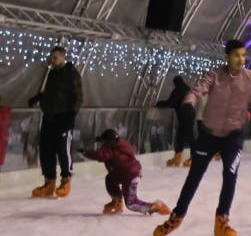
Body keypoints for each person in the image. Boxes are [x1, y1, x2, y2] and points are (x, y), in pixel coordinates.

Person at [153, 39, 251, 236]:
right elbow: (196, 92)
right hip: (208, 135)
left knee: (230, 176)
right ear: (227, 56)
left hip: (233, 137)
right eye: (237, 55)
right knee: (194, 177)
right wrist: (188, 105)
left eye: (243, 55)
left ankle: (222, 220)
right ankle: (176, 217)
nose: (241, 59)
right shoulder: (214, 76)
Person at [29, 46, 83, 199]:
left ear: (62, 57)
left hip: (63, 118)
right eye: (51, 58)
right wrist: (38, 97)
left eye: (54, 58)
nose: (51, 60)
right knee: (46, 149)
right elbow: (50, 93)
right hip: (49, 117)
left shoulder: (71, 73)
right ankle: (49, 183)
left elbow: (78, 96)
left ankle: (66, 180)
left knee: (63, 150)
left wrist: (71, 116)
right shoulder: (52, 73)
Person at [81, 129, 169, 216]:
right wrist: (101, 139)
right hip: (125, 174)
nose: (103, 144)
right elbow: (109, 144)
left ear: (109, 142)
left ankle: (155, 207)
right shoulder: (120, 144)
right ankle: (117, 201)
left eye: (104, 141)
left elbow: (101, 155)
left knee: (131, 203)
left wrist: (86, 152)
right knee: (110, 179)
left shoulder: (112, 150)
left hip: (130, 177)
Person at [158, 76, 193, 167]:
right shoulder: (188, 89)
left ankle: (194, 158)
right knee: (181, 136)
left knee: (189, 137)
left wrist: (159, 104)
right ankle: (178, 157)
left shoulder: (178, 90)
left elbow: (171, 103)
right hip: (190, 114)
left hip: (183, 115)